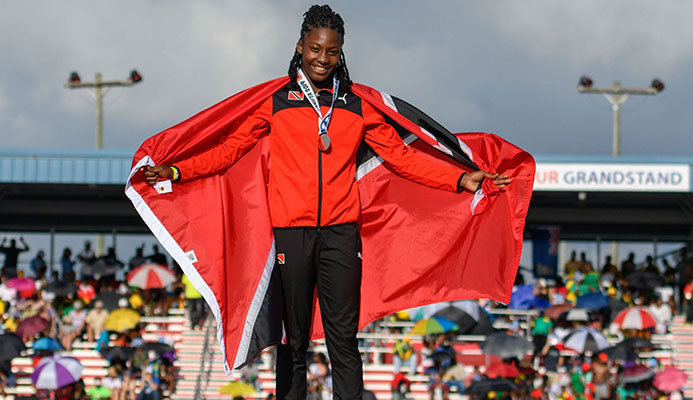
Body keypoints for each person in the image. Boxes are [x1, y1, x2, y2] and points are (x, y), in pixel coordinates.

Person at [142, 5, 511, 399]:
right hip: (291, 233)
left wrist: (459, 178)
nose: (322, 59)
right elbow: (229, 150)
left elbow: (402, 159)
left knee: (343, 339)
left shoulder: (357, 106)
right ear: (300, 46)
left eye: (331, 51)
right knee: (293, 340)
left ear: (341, 53)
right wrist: (178, 171)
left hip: (340, 234)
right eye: (315, 49)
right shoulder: (276, 102)